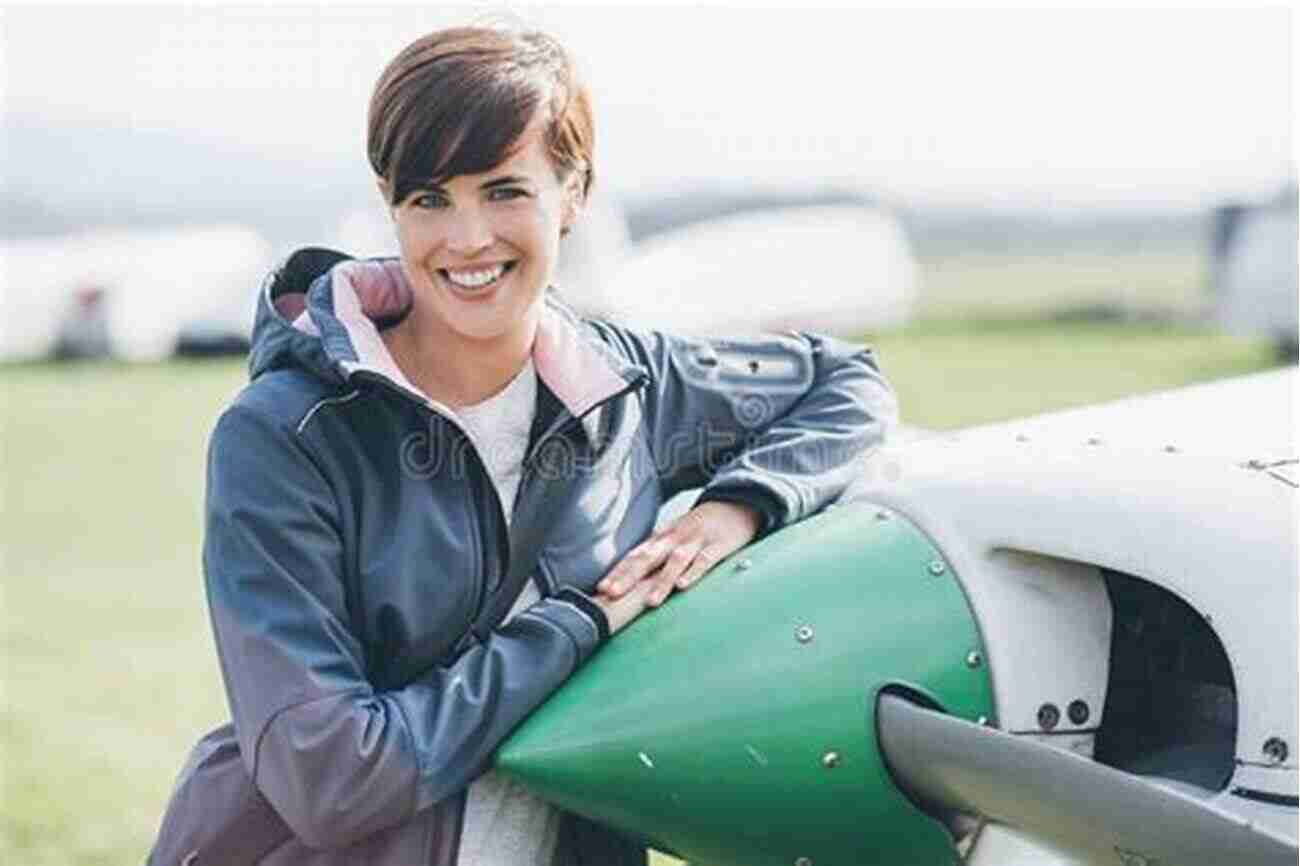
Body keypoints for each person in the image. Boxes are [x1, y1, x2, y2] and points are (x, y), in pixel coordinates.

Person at [160, 24, 897, 866]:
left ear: (575, 191)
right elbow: (332, 776)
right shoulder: (284, 437)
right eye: (428, 198)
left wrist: (736, 510)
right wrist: (581, 624)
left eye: (505, 190)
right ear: (388, 202)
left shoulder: (632, 386)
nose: (467, 239)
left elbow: (844, 382)